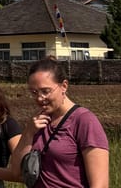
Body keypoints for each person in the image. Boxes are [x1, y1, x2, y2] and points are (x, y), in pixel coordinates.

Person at [10, 57, 109, 188]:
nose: (40, 98)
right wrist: (28, 133)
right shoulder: (37, 121)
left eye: (46, 91)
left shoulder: (84, 121)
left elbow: (100, 184)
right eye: (34, 92)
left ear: (64, 86)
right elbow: (16, 172)